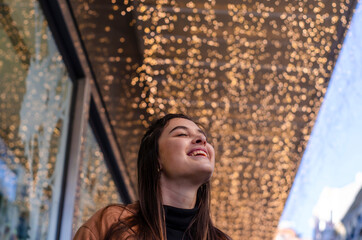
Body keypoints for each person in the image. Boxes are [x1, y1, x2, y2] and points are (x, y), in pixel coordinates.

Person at [73, 113, 230, 240]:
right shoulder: (111, 223)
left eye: (204, 137)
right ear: (156, 159)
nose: (202, 140)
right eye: (182, 134)